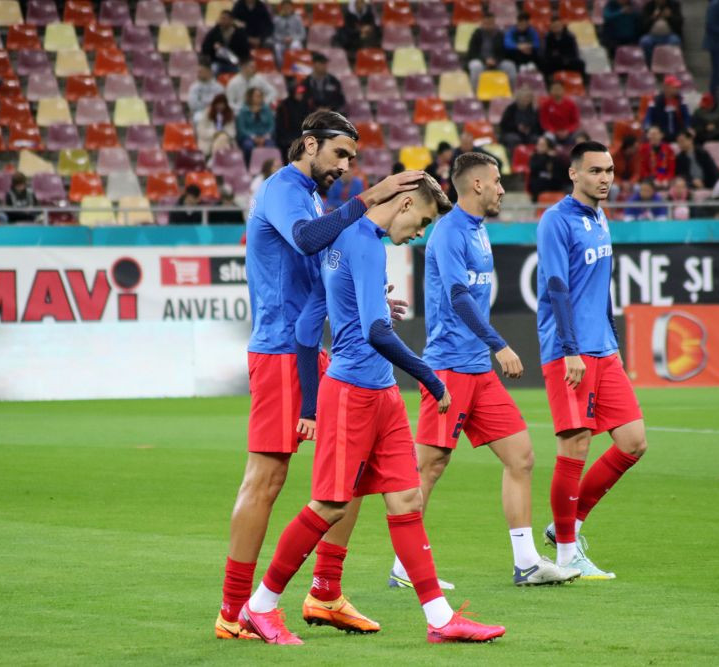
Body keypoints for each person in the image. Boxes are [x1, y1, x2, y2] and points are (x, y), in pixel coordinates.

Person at [242, 171, 507, 646]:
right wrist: (428, 376)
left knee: (406, 500)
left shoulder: (347, 238)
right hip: (353, 393)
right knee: (328, 505)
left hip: (379, 391)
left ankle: (441, 620)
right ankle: (259, 607)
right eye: (422, 220)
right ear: (405, 205)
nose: (421, 232)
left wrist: (312, 394)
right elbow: (375, 334)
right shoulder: (365, 243)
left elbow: (309, 327)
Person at [216, 109, 427, 641]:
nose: (347, 166)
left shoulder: (312, 198)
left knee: (351, 472)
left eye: (353, 159)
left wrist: (367, 300)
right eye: (340, 154)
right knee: (266, 479)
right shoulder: (284, 189)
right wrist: (372, 195)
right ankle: (233, 610)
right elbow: (309, 241)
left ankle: (326, 591)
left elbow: (321, 271)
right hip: (283, 350)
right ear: (308, 144)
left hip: (316, 350)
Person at [391, 152, 582, 590]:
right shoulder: (448, 233)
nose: (501, 188)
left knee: (521, 456)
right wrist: (500, 344)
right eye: (496, 181)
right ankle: (405, 567)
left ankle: (527, 562)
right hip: (450, 368)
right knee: (429, 467)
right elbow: (459, 298)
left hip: (477, 370)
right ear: (476, 185)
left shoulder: (478, 232)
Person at [536, 140, 648, 580]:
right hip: (570, 353)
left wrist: (612, 339)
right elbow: (557, 288)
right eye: (596, 171)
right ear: (574, 174)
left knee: (633, 441)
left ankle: (567, 524)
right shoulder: (555, 221)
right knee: (575, 446)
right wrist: (570, 349)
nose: (605, 179)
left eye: (610, 171)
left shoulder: (601, 218)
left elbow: (600, 288)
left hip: (603, 349)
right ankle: (566, 554)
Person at [466, 13, 517, 92]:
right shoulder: (476, 34)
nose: (488, 26)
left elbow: (503, 53)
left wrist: (496, 60)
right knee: (476, 67)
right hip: (480, 61)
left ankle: (511, 93)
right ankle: (475, 95)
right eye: (486, 24)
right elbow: (472, 53)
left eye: (491, 23)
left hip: (496, 62)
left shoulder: (500, 35)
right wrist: (485, 60)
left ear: (494, 23)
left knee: (510, 66)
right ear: (482, 23)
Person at [201, 10, 251, 74]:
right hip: (218, 62)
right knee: (212, 70)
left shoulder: (239, 33)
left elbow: (245, 51)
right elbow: (204, 48)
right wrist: (213, 47)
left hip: (235, 64)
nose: (222, 21)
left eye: (224, 18)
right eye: (221, 18)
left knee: (242, 73)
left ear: (231, 20)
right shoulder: (214, 32)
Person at [644, 75, 691, 141]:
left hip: (678, 135)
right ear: (666, 87)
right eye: (674, 87)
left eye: (677, 87)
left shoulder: (681, 100)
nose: (677, 89)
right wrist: (648, 128)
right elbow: (648, 117)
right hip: (660, 135)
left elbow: (686, 118)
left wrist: (687, 128)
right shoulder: (655, 101)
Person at [236, 87, 275, 166]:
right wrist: (254, 138)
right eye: (257, 96)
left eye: (260, 96)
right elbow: (241, 128)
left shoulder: (266, 109)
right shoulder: (243, 111)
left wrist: (265, 137)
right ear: (250, 97)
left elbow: (271, 125)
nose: (259, 98)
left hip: (264, 136)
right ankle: (249, 167)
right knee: (248, 146)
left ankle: (268, 169)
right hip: (249, 137)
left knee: (270, 145)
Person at [274, 83, 313, 161]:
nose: (300, 95)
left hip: (301, 134)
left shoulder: (305, 104)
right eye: (298, 93)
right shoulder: (284, 105)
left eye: (301, 93)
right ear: (292, 93)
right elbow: (280, 126)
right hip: (286, 136)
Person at [540, 17, 585, 82]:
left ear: (562, 26)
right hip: (555, 62)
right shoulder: (547, 37)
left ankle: (582, 83)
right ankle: (548, 85)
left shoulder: (570, 36)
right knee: (544, 64)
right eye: (554, 26)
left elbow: (574, 52)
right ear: (551, 28)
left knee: (581, 64)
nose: (556, 28)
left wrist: (565, 57)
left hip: (568, 61)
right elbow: (546, 53)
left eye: (558, 26)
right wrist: (555, 56)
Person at [528, 135, 570, 201]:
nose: (540, 147)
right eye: (538, 145)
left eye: (542, 145)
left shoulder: (554, 158)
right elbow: (534, 169)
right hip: (539, 185)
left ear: (548, 146)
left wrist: (553, 158)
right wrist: (546, 156)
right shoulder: (534, 157)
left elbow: (562, 173)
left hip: (553, 185)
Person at [499, 87, 541, 151]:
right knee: (513, 139)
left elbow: (537, 125)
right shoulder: (511, 109)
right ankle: (513, 158)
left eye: (528, 97)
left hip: (529, 134)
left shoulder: (533, 110)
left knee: (537, 139)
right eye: (523, 97)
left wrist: (529, 129)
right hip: (513, 132)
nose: (525, 99)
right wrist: (517, 127)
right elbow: (504, 125)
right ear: (518, 98)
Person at [539, 80, 580, 145]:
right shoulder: (545, 104)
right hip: (552, 132)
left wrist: (567, 131)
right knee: (547, 138)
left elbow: (575, 122)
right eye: (554, 89)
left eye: (558, 89)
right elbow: (544, 122)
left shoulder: (571, 104)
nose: (556, 91)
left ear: (563, 90)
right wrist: (555, 131)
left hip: (568, 132)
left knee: (578, 138)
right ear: (550, 91)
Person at [188, 58, 225, 122]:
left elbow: (221, 104)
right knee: (198, 118)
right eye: (198, 72)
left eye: (201, 72)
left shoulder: (219, 87)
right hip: (199, 113)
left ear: (209, 71)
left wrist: (208, 105)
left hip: (215, 113)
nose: (198, 74)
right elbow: (193, 105)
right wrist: (209, 105)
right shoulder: (194, 87)